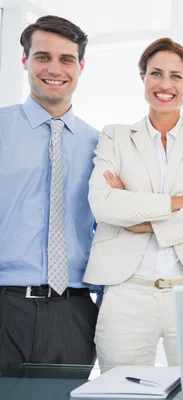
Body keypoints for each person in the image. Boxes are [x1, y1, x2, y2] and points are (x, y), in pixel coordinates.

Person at [84, 38, 183, 370]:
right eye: (155, 74)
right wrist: (182, 203)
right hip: (127, 292)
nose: (165, 85)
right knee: (121, 392)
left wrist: (143, 220)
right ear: (143, 78)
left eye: (176, 76)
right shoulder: (115, 136)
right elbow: (104, 203)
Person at [0, 15, 99, 373]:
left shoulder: (101, 145)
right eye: (43, 57)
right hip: (5, 303)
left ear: (80, 66)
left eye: (66, 59)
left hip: (73, 312)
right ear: (25, 60)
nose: (54, 68)